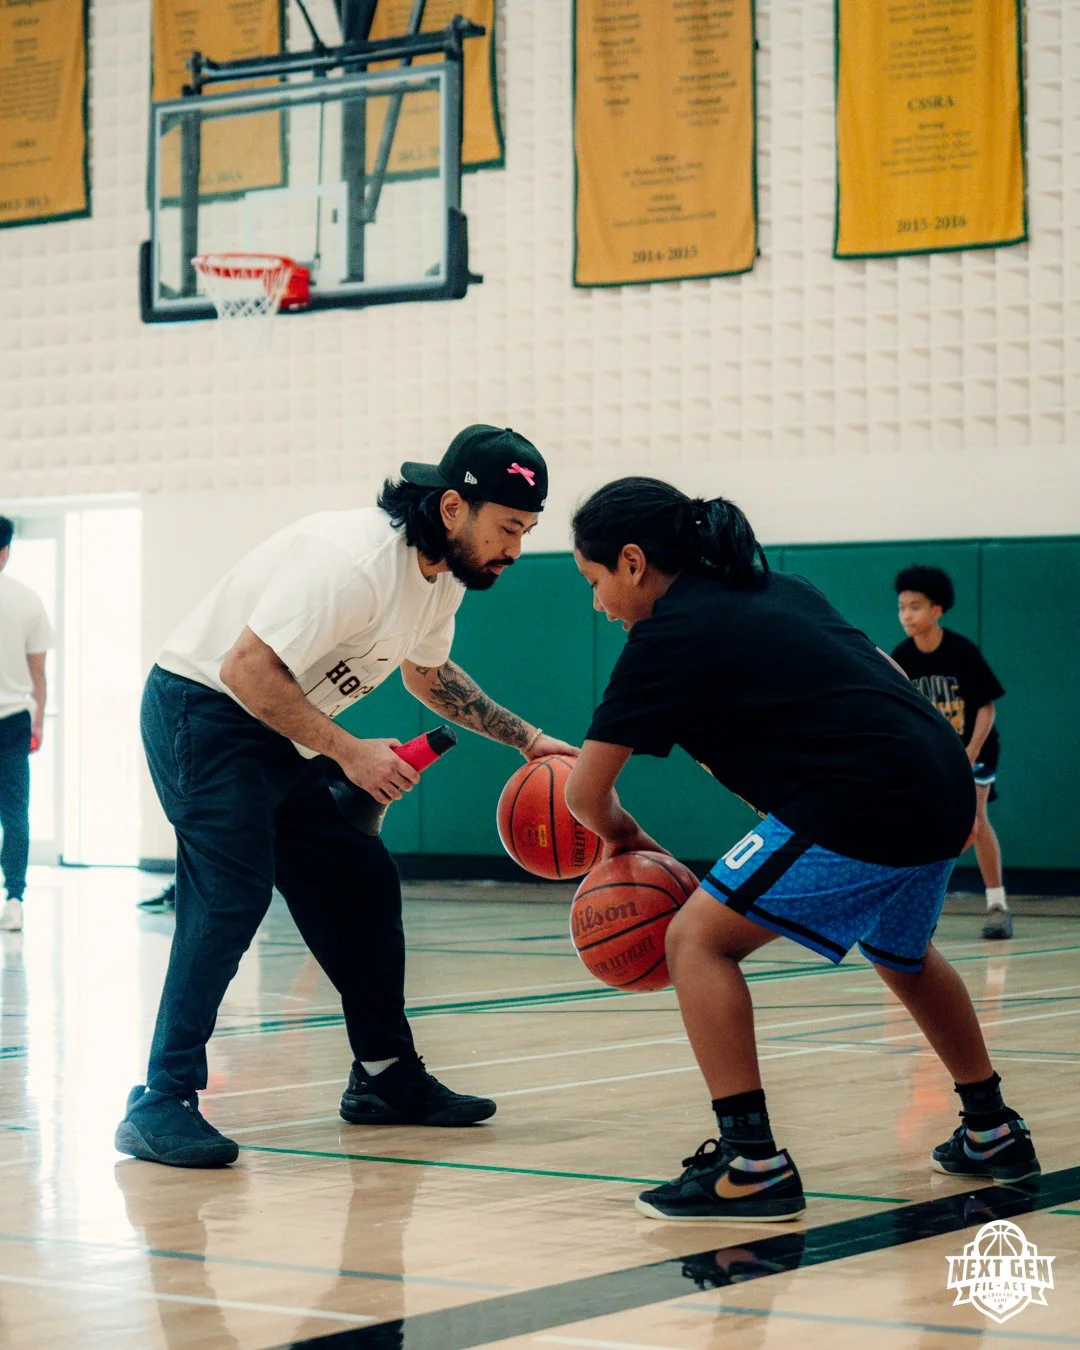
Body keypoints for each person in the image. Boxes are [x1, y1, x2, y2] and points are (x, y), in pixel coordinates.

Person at [563, 478, 1039, 1223]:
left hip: (867, 795)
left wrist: (622, 836)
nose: (597, 603)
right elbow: (880, 676)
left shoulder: (664, 638)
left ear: (630, 562)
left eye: (593, 582)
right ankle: (992, 1129)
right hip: (941, 782)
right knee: (902, 952)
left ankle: (750, 1164)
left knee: (695, 939)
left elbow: (583, 794)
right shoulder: (782, 586)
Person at [115, 426, 576, 1168]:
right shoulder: (352, 562)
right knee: (231, 892)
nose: (516, 550)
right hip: (202, 711)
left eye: (525, 531)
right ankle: (160, 1100)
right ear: (454, 507)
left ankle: (386, 1078)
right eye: (509, 528)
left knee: (359, 881)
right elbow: (244, 670)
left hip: (275, 725)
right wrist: (352, 752)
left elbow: (429, 675)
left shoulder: (438, 575)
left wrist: (528, 740)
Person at [892, 565, 1011, 940]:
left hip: (975, 748)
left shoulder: (961, 652)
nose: (907, 615)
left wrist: (970, 752)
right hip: (933, 756)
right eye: (901, 607)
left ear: (937, 610)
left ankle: (997, 905)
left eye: (916, 607)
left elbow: (986, 708)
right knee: (918, 825)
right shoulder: (902, 657)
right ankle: (912, 907)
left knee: (976, 817)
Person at [0, 516, 54, 934]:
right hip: (14, 720)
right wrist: (38, 723)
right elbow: (39, 675)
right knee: (16, 814)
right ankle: (14, 899)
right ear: (7, 550)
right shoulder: (27, 600)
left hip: (14, 721)